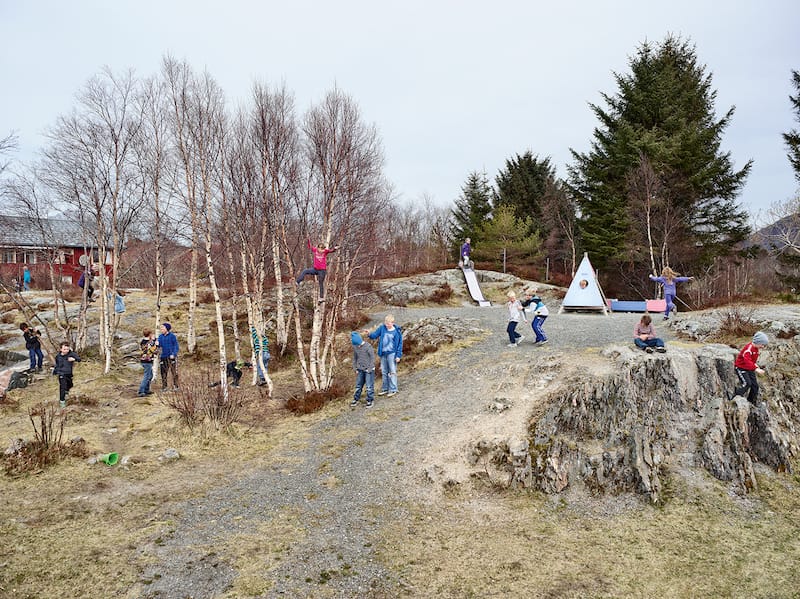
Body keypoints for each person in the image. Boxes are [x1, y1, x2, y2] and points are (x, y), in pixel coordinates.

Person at [363, 314, 403, 397]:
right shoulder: (382, 328)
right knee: (384, 372)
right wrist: (369, 333)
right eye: (386, 323)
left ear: (392, 323)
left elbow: (400, 344)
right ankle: (385, 389)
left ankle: (393, 389)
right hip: (383, 354)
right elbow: (374, 335)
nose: (387, 325)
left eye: (388, 323)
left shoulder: (397, 332)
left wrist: (398, 356)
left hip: (392, 354)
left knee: (392, 371)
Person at [733, 331, 768, 405]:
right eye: (762, 345)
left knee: (755, 386)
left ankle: (750, 401)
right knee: (747, 383)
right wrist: (756, 369)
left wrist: (755, 365)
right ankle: (735, 397)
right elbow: (747, 361)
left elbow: (752, 360)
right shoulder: (748, 349)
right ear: (758, 342)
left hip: (749, 368)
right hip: (741, 368)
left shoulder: (756, 349)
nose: (763, 347)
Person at [350, 332, 376, 408]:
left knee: (369, 386)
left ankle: (370, 400)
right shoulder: (355, 347)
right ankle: (356, 399)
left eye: (358, 344)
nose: (357, 346)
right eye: (356, 345)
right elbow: (355, 358)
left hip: (369, 370)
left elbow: (372, 358)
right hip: (360, 369)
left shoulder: (368, 347)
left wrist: (370, 369)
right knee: (358, 386)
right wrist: (355, 368)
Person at [53, 342, 80, 408]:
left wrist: (74, 359)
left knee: (70, 385)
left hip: (69, 373)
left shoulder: (71, 354)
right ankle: (62, 401)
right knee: (62, 387)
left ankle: (66, 391)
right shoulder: (58, 357)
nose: (66, 351)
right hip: (61, 373)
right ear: (61, 349)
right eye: (64, 349)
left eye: (67, 349)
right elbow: (57, 365)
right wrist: (55, 371)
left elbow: (79, 359)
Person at [158, 322, 180, 391]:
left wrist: (173, 354)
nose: (161, 329)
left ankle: (176, 386)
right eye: (161, 328)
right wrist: (157, 344)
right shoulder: (160, 336)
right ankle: (164, 387)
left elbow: (176, 346)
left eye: (163, 328)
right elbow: (159, 345)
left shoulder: (172, 336)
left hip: (171, 357)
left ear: (167, 329)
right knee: (163, 372)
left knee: (174, 372)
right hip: (163, 357)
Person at [138, 329, 158, 397]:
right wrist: (154, 340)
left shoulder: (142, 341)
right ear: (149, 335)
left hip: (145, 360)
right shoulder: (149, 342)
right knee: (147, 376)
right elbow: (153, 349)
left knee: (150, 375)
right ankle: (141, 391)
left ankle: (146, 389)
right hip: (147, 361)